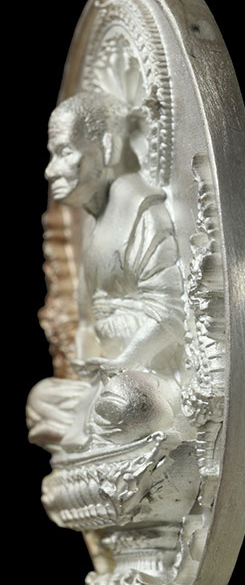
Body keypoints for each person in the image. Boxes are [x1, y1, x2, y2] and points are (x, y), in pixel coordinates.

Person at [27, 91, 185, 451]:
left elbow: (170, 316)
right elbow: (90, 321)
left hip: (150, 374)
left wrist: (125, 362)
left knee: (130, 404)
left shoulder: (143, 212)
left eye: (65, 152)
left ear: (108, 147)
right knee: (41, 399)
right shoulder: (93, 227)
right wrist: (92, 366)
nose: (50, 170)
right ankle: (103, 433)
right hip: (110, 373)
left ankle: (110, 433)